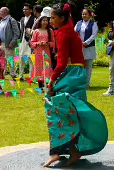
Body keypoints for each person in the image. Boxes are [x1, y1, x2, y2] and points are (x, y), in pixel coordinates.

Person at [43, 2, 108, 167]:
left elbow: (62, 62)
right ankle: (69, 151)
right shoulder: (70, 32)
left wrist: (51, 80)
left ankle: (61, 152)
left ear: (62, 18)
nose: (51, 21)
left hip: (70, 75)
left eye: (53, 18)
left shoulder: (63, 34)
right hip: (78, 75)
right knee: (71, 114)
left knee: (56, 109)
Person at [75, 8, 98, 89]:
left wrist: (86, 42)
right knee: (80, 66)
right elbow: (74, 33)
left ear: (89, 15)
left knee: (88, 66)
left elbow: (94, 35)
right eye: (83, 14)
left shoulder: (93, 24)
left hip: (89, 47)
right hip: (79, 48)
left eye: (85, 14)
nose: (84, 16)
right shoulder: (78, 23)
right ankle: (80, 83)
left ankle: (87, 83)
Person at [0, 7, 20, 80]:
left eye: (0, 11)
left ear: (5, 12)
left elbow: (17, 33)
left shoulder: (11, 20)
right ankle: (1, 75)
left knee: (10, 60)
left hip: (8, 44)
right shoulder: (1, 21)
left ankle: (13, 75)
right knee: (2, 61)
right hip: (1, 44)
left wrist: (12, 43)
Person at [30, 16, 54, 82]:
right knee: (38, 65)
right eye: (43, 20)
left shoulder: (50, 31)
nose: (45, 22)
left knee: (46, 65)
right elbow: (32, 43)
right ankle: (38, 79)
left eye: (46, 20)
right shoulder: (36, 31)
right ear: (40, 22)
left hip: (46, 52)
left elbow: (53, 43)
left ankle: (46, 79)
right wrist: (38, 43)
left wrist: (47, 43)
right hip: (38, 52)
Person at [19, 3, 35, 81]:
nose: (25, 10)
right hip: (22, 40)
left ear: (31, 10)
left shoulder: (34, 19)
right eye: (24, 9)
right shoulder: (22, 19)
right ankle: (21, 75)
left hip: (30, 41)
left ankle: (30, 76)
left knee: (30, 58)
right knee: (21, 57)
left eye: (26, 9)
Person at [41, 6, 57, 70]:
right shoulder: (43, 26)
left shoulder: (53, 25)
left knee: (52, 63)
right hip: (45, 47)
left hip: (52, 47)